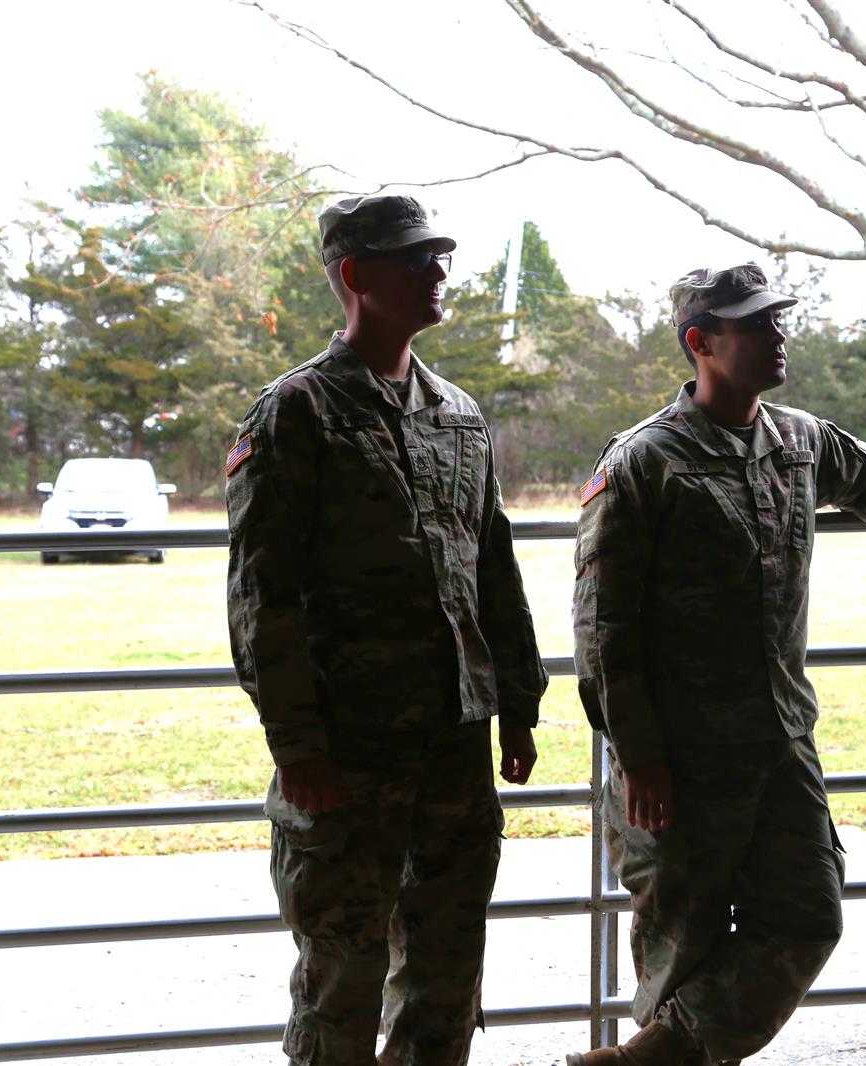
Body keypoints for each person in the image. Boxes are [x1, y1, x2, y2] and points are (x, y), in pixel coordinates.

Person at [568, 263, 866, 1066]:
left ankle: (644, 1060)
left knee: (809, 913)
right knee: (684, 942)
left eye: (780, 321)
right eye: (756, 325)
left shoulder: (799, 440)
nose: (779, 337)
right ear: (701, 343)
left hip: (779, 740)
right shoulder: (644, 460)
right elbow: (604, 628)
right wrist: (639, 754)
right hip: (679, 757)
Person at [224, 193, 548, 1066]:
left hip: (454, 746)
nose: (438, 272)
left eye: (440, 256)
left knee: (446, 979)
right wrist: (299, 749)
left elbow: (492, 569)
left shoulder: (459, 414)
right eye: (414, 259)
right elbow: (262, 597)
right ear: (356, 274)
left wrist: (518, 705)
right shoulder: (295, 411)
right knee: (342, 981)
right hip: (346, 753)